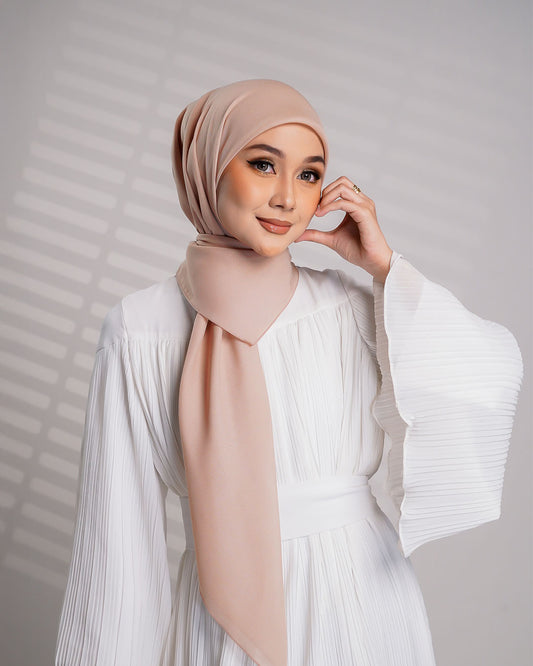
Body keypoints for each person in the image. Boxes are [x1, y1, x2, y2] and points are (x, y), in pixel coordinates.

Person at [54, 79, 524, 666]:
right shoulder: (139, 330)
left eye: (308, 174)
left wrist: (385, 269)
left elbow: (481, 380)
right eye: (262, 164)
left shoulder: (351, 305)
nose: (286, 197)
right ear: (207, 167)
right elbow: (117, 545)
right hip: (219, 624)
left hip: (363, 606)